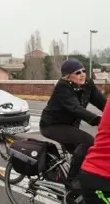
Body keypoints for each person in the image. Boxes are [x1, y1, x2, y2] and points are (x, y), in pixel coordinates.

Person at [39, 58, 105, 189]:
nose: (82, 74)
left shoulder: (87, 85)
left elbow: (103, 103)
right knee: (87, 141)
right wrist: (99, 120)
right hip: (52, 126)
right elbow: (75, 108)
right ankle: (71, 182)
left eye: (83, 71)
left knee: (89, 154)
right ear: (68, 76)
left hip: (69, 126)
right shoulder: (62, 87)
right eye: (77, 72)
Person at [79, 99, 110, 203]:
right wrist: (94, 118)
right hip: (101, 177)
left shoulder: (87, 86)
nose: (80, 81)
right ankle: (71, 179)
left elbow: (99, 100)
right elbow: (73, 107)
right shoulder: (63, 87)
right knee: (84, 140)